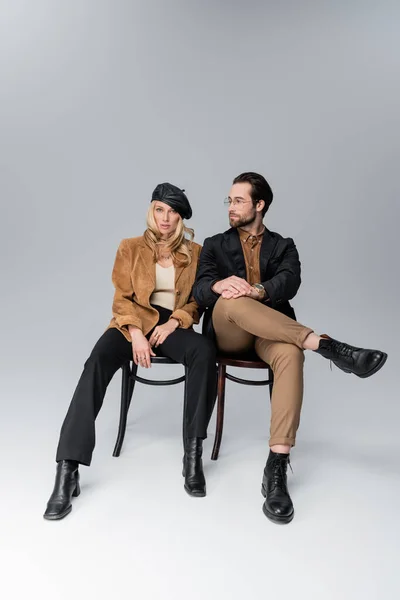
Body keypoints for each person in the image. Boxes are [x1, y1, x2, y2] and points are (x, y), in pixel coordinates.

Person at [193, 172, 387, 525]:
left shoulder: (284, 245)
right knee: (230, 301)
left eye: (238, 200)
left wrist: (259, 290)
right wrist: (223, 284)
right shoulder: (214, 243)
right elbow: (200, 290)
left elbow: (290, 281)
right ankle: (326, 345)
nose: (231, 207)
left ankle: (276, 469)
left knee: (291, 353)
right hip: (229, 330)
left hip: (272, 332)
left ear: (260, 205)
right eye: (230, 201)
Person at [44, 183, 217, 520]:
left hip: (171, 326)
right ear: (151, 211)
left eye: (172, 212)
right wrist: (135, 333)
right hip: (132, 322)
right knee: (95, 361)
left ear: (180, 216)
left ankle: (192, 456)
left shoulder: (195, 252)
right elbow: (121, 297)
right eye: (159, 210)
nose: (165, 218)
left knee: (204, 351)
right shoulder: (130, 247)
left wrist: (177, 321)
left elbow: (198, 300)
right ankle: (68, 470)